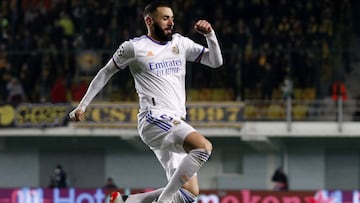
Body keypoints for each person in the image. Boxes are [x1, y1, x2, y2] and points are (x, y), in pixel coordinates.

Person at [69, 2, 223, 203]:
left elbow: (215, 61)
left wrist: (210, 35)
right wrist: (83, 105)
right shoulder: (134, 47)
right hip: (154, 118)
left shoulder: (180, 43)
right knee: (203, 147)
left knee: (188, 194)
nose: (171, 22)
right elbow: (105, 72)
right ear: (150, 20)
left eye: (172, 18)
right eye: (165, 18)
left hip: (174, 122)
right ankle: (163, 201)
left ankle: (126, 201)